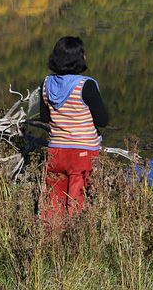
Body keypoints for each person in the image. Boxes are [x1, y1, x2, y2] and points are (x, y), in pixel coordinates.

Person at [39, 36, 108, 222]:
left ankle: (51, 243)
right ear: (79, 58)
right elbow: (102, 120)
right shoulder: (86, 85)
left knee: (53, 204)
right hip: (82, 153)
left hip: (56, 151)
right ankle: (76, 245)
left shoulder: (46, 84)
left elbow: (44, 118)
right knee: (78, 204)